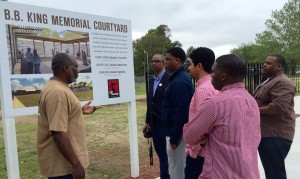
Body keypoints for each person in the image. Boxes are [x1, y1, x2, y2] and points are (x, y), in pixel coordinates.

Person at [183, 54, 261, 179]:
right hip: (248, 172)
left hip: (221, 173)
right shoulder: (251, 100)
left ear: (223, 76)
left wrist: (205, 133)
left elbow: (190, 136)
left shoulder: (215, 103)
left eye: (213, 72)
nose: (211, 76)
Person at [37, 53, 101, 179]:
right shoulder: (57, 92)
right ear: (66, 68)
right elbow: (57, 131)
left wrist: (78, 111)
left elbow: (59, 117)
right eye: (76, 67)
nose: (78, 71)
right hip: (64, 168)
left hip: (65, 165)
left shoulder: (57, 87)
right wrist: (76, 164)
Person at [253, 55, 296, 179]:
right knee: (272, 172)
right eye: (265, 62)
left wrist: (252, 110)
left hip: (276, 136)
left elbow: (278, 107)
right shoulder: (269, 80)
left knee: (275, 174)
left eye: (269, 63)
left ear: (279, 67)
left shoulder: (283, 82)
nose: (264, 65)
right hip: (267, 134)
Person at [184, 47, 219, 179]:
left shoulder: (204, 91)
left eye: (190, 64)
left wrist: (193, 151)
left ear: (199, 66)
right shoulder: (213, 86)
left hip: (200, 155)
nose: (188, 68)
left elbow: (203, 127)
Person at [162, 47, 194, 179]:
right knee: (176, 167)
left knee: (177, 169)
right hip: (175, 132)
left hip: (177, 135)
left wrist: (174, 138)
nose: (165, 62)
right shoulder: (177, 78)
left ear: (177, 60)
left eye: (168, 59)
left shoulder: (180, 81)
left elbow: (180, 112)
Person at [143, 54, 171, 179]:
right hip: (154, 123)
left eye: (157, 61)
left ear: (164, 63)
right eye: (153, 61)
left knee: (166, 153)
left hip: (165, 122)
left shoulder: (170, 78)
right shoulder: (151, 80)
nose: (154, 64)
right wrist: (147, 120)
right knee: (159, 151)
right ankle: (165, 174)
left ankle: (166, 176)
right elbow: (150, 102)